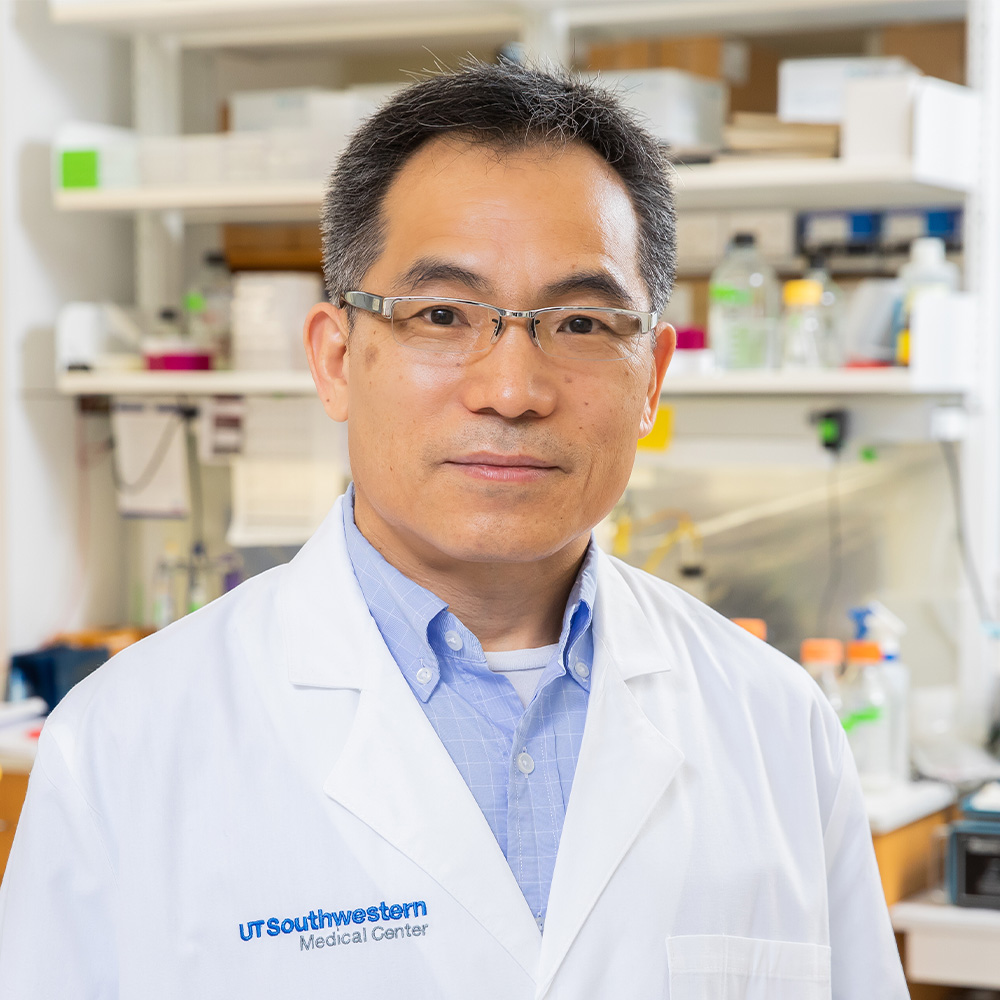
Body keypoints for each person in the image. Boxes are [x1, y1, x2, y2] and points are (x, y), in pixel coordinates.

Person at [0, 62, 906, 999]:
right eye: (441, 314)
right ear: (337, 359)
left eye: (582, 323)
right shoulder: (122, 744)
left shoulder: (778, 723)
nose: (511, 390)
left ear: (652, 378)